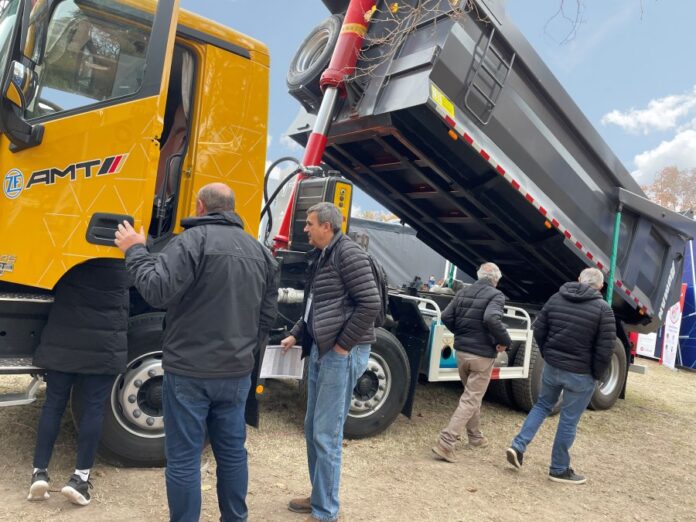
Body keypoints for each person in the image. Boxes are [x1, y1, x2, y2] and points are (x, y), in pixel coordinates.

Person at [115, 183, 278, 522]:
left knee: (184, 459)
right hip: (235, 373)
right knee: (233, 454)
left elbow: (156, 290)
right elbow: (266, 320)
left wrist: (135, 250)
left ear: (201, 207)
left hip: (189, 371)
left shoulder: (191, 241)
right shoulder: (261, 253)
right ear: (232, 209)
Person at [280, 202, 380, 522]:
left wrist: (341, 347)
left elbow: (370, 304)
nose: (306, 229)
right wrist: (297, 333)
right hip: (323, 350)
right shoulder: (324, 254)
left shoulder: (348, 254)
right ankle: (319, 496)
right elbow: (315, 303)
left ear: (327, 226)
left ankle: (326, 512)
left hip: (341, 354)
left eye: (310, 224)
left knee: (326, 433)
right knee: (312, 429)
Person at [28, 259, 129, 506]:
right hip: (103, 346)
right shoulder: (124, 262)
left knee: (53, 405)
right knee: (94, 409)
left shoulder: (68, 255)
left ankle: (39, 473)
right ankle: (80, 479)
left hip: (63, 341)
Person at [506, 267, 615, 484]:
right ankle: (558, 469)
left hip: (552, 366)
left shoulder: (557, 298)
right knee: (568, 420)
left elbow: (539, 329)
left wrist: (547, 353)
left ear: (578, 280)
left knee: (542, 406)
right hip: (581, 374)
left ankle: (518, 445)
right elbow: (605, 349)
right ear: (601, 286)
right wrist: (597, 374)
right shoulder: (603, 310)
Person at [432, 262, 511, 463]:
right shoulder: (496, 295)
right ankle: (446, 441)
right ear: (496, 279)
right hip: (482, 355)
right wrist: (504, 341)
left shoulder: (463, 293)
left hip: (462, 353)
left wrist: (460, 333)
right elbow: (491, 319)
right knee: (471, 399)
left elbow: (446, 315)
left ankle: (475, 436)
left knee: (471, 396)